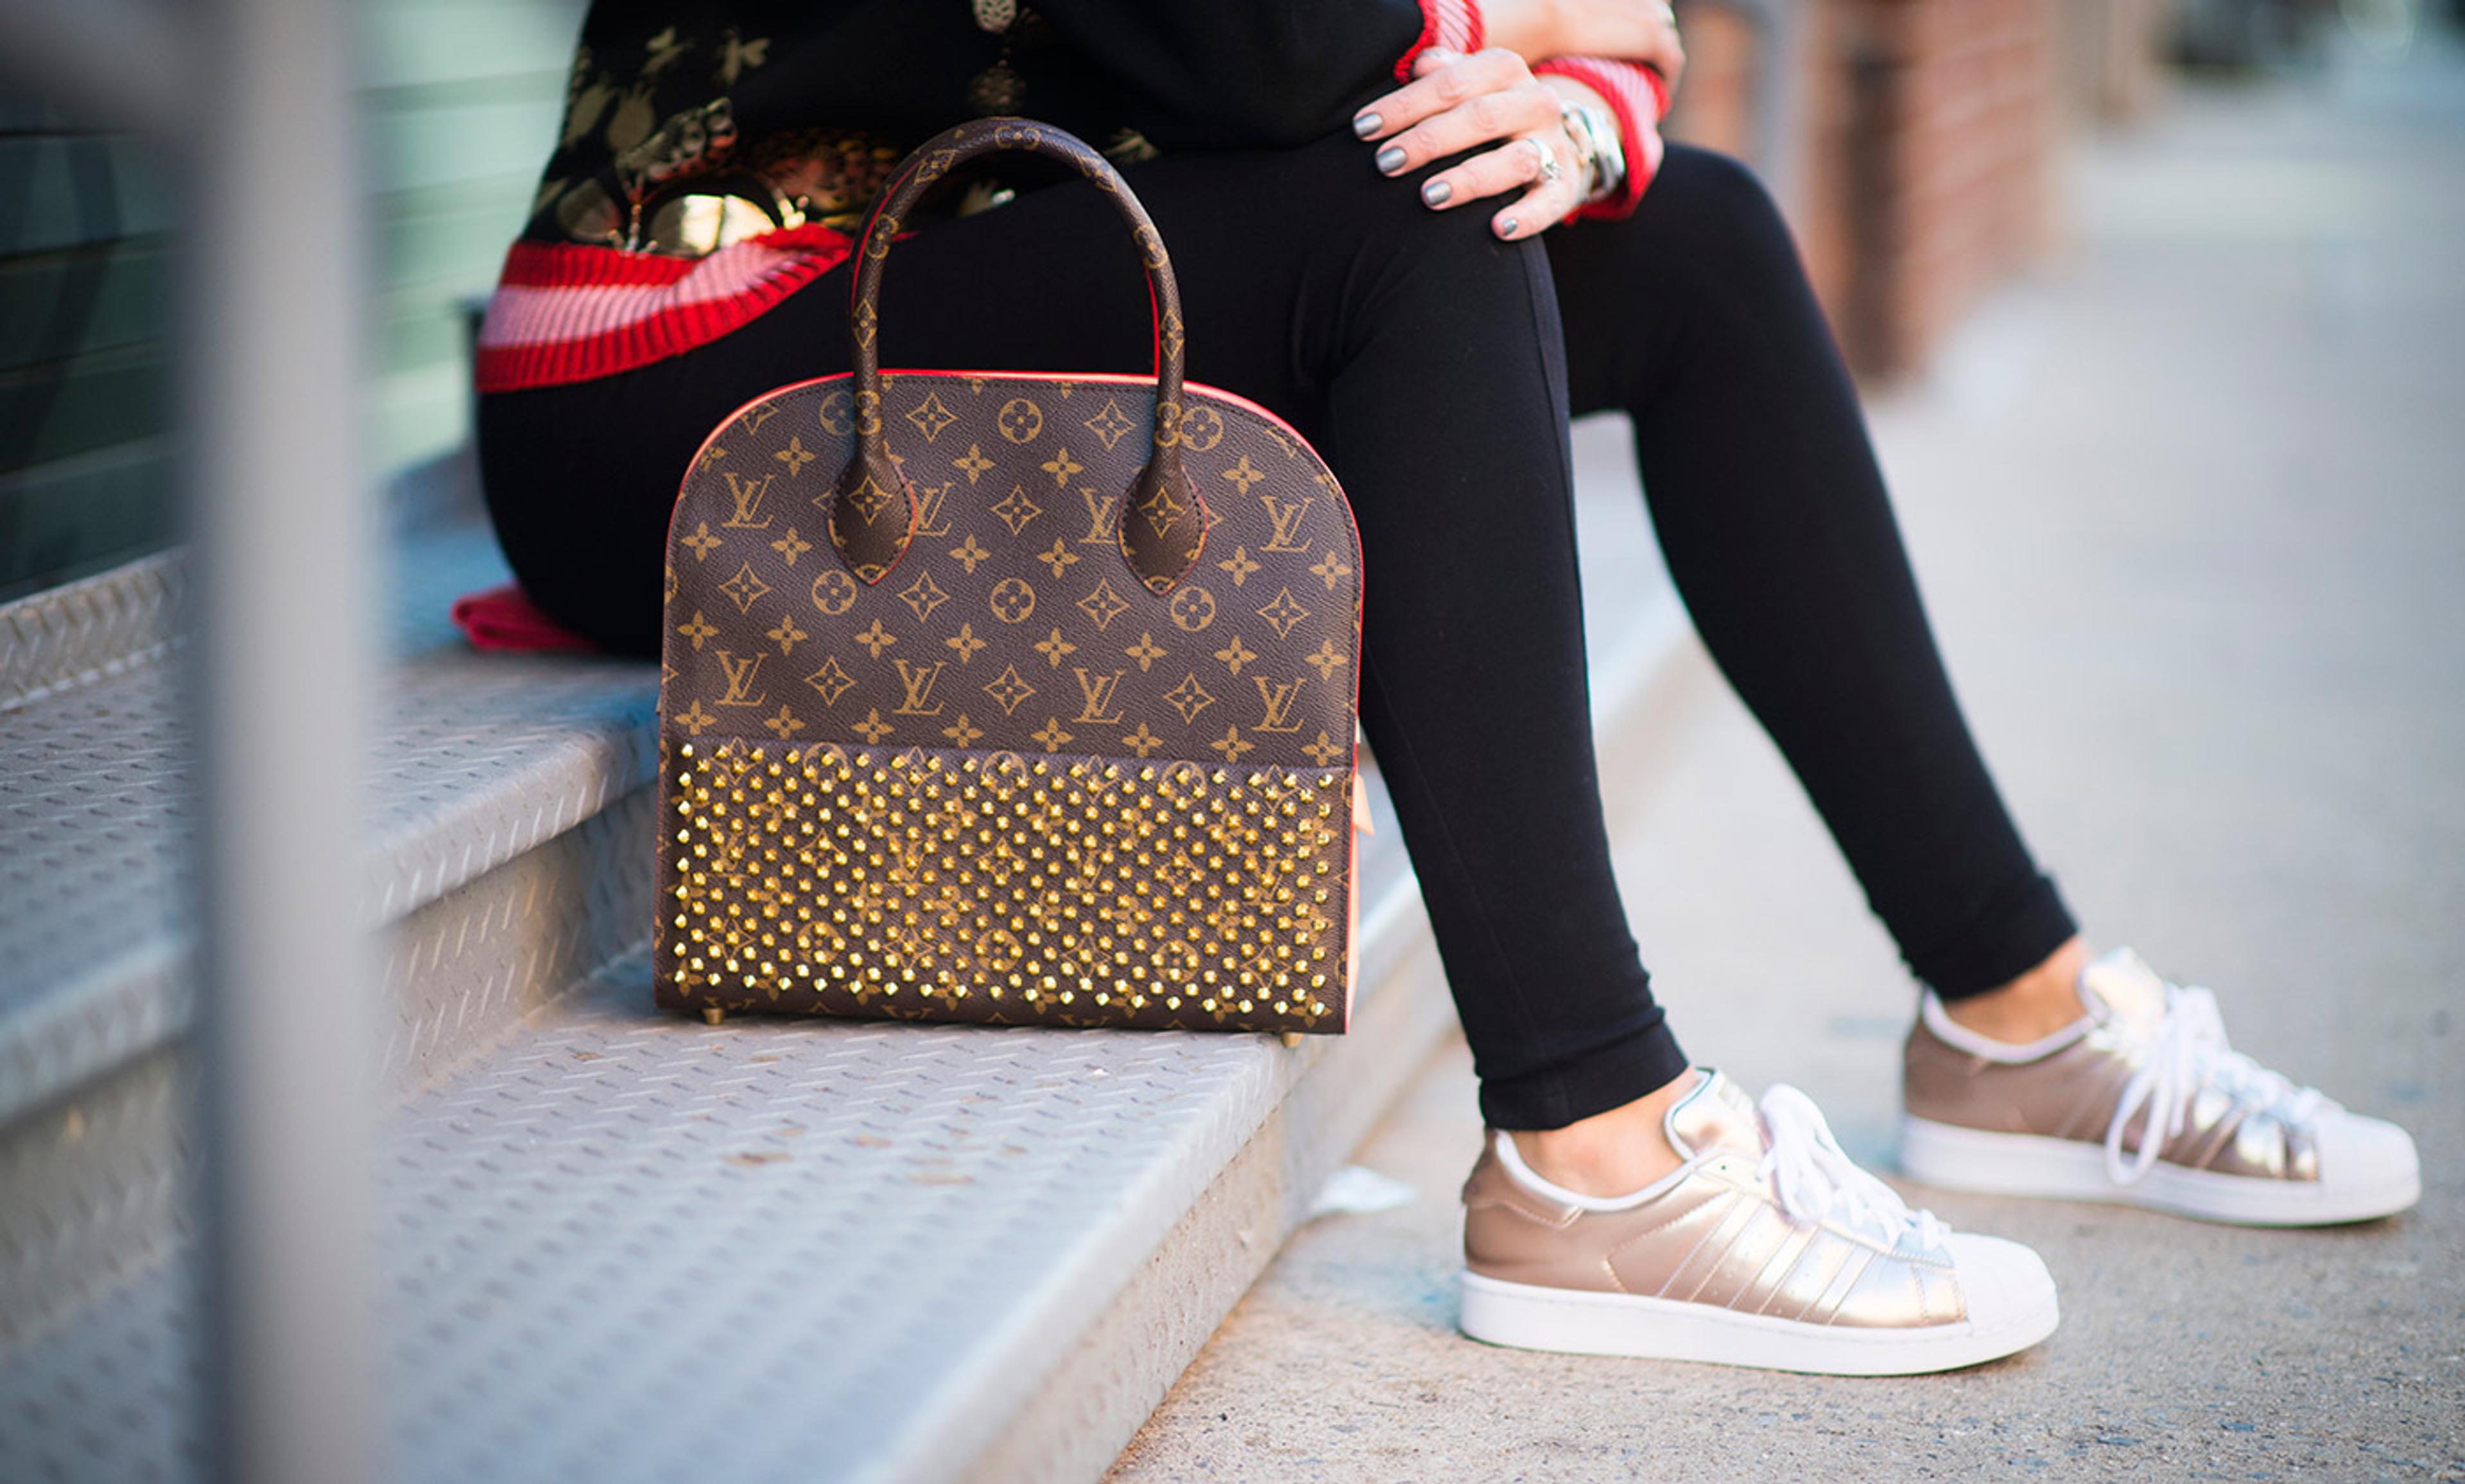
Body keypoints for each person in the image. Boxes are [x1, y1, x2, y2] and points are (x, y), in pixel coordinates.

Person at [472, 1, 2419, 1376]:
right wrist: (1547, 33)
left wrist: (1588, 109)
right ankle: (1590, 1141)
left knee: (1701, 241)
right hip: (683, 365)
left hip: (955, 281)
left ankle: (2020, 1020)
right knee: (1428, 225)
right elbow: (1259, 56)